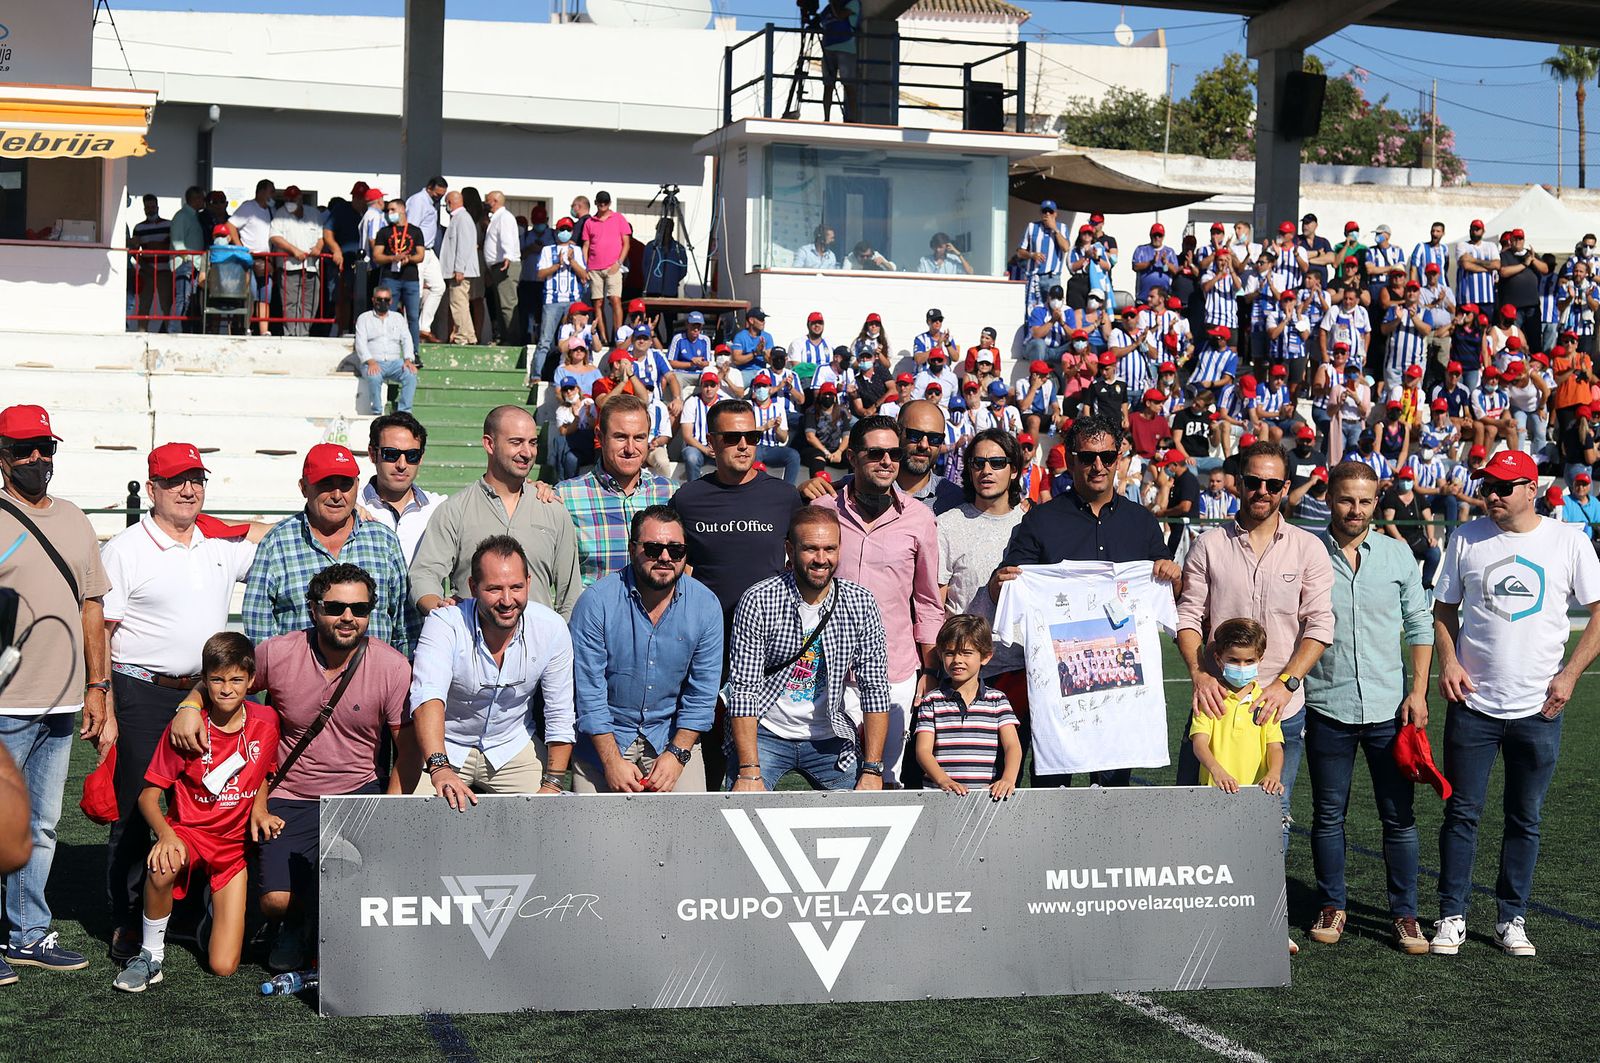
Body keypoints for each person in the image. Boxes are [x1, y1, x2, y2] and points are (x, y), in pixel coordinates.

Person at [169, 563, 409, 971]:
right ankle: (288, 923)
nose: (348, 617)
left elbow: (409, 749)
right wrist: (190, 705)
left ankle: (313, 934)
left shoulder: (392, 666)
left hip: (358, 792)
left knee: (359, 885)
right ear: (313, 608)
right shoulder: (279, 653)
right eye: (335, 607)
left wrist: (391, 807)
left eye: (360, 608)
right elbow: (224, 679)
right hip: (289, 791)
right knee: (277, 900)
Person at [98, 443, 267, 963]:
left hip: (208, 690)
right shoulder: (125, 549)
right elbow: (103, 630)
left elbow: (274, 534)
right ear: (152, 489)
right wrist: (101, 697)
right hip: (143, 689)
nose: (189, 489)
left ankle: (188, 911)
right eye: (175, 481)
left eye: (196, 479)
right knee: (138, 804)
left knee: (208, 799)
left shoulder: (215, 541)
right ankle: (129, 918)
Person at [1429, 448, 1600, 958]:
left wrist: (1569, 675)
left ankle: (1511, 918)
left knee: (1525, 818)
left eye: (1504, 487)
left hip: (1539, 708)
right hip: (1473, 706)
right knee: (1462, 813)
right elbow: (1442, 610)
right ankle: (1452, 914)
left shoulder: (1569, 540)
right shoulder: (1465, 538)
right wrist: (1450, 663)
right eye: (1488, 486)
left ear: (1531, 489)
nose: (1493, 496)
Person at [989, 415, 1181, 786]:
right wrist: (1002, 583)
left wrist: (1172, 576)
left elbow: (1170, 592)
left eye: (1107, 457)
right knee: (1051, 795)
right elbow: (1005, 589)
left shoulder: (1141, 522)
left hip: (1121, 688)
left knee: (1110, 799)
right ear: (1071, 460)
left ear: (1119, 458)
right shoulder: (1040, 521)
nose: (1098, 466)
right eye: (1088, 457)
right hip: (1057, 691)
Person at [1175, 439, 1335, 849]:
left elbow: (1319, 625)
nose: (1262, 491)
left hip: (1280, 707)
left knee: (1271, 818)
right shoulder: (1208, 544)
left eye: (1272, 484)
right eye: (1253, 482)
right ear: (1238, 483)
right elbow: (1188, 616)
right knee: (1194, 816)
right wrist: (1198, 674)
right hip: (1214, 702)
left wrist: (1286, 684)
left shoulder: (1308, 547)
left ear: (1284, 488)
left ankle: (1262, 914)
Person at [1303, 462, 1433, 955]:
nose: (1354, 510)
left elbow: (1419, 625)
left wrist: (1417, 691)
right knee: (1328, 815)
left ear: (1376, 502)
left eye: (1364, 500)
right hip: (1325, 704)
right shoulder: (1307, 552)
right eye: (1345, 499)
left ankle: (1405, 915)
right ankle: (1332, 905)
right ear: (1330, 499)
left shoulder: (1399, 555)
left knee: (1398, 818)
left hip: (1389, 709)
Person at [0, 406, 112, 979]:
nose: (37, 458)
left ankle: (27, 933)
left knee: (42, 825)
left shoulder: (73, 518)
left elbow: (92, 608)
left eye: (45, 446)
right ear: (2, 456)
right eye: (24, 449)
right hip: (3, 704)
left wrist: (97, 687)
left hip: (62, 701)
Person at [110, 632, 280, 992]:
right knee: (163, 862)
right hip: (188, 834)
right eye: (217, 680)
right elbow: (146, 796)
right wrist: (166, 833)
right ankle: (150, 955)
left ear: (252, 680)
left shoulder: (266, 721)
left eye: (236, 680)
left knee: (223, 966)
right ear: (205, 681)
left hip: (233, 850)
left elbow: (264, 771)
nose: (227, 689)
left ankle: (195, 922)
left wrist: (260, 808)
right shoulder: (187, 728)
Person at [809, 415, 940, 787]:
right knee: (831, 782)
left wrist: (928, 672)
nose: (887, 462)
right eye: (876, 453)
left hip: (893, 672)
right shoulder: (822, 510)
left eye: (894, 454)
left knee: (884, 781)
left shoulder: (920, 518)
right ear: (852, 457)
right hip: (826, 670)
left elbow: (928, 602)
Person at [725, 508, 890, 791]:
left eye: (829, 549)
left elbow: (874, 687)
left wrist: (873, 768)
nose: (821, 559)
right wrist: (749, 770)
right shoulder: (759, 600)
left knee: (859, 817)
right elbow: (744, 690)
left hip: (830, 734)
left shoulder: (860, 602)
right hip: (767, 731)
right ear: (790, 549)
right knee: (741, 814)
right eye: (810, 549)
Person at [407, 536, 575, 808]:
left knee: (543, 824)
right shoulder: (444, 623)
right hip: (446, 744)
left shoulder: (552, 628)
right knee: (412, 822)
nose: (507, 600)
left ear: (529, 583)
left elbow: (560, 713)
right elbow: (428, 696)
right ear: (473, 587)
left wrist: (553, 783)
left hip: (512, 745)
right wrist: (439, 767)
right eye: (494, 589)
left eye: (517, 587)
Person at [569, 506, 722, 792]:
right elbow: (589, 693)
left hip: (671, 737)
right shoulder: (595, 603)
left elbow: (702, 693)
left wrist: (677, 756)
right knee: (591, 834)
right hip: (605, 739)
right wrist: (611, 761)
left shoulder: (706, 605)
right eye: (653, 549)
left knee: (693, 830)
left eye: (675, 550)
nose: (665, 557)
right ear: (632, 548)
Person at [411, 405, 581, 620]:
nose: (527, 453)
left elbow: (570, 594)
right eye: (516, 442)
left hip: (539, 649)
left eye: (533, 442)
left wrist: (559, 642)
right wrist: (441, 610)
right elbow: (424, 574)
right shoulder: (454, 510)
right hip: (471, 646)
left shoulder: (552, 509)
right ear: (489, 444)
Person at [243, 443, 414, 653]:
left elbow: (405, 625)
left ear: (357, 485)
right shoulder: (276, 543)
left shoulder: (384, 541)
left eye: (345, 484)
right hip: (300, 683)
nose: (336, 494)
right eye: (325, 484)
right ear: (303, 487)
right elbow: (259, 631)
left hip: (374, 682)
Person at [559, 393, 674, 586]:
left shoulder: (671, 494)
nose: (630, 448)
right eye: (620, 437)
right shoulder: (565, 497)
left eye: (639, 438)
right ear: (600, 437)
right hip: (595, 614)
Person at [913, 614, 1021, 799]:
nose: (957, 659)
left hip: (983, 797)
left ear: (986, 657)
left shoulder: (997, 700)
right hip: (939, 796)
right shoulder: (931, 701)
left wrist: (1008, 779)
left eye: (966, 652)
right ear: (941, 655)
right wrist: (943, 781)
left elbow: (1012, 746)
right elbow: (923, 751)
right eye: (950, 653)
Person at [1189, 618, 1284, 797]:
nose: (1242, 667)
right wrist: (1217, 771)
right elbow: (1199, 743)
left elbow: (1275, 747)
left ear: (1260, 660)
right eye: (1233, 660)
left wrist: (1274, 773)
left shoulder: (1266, 702)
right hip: (1214, 789)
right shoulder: (1209, 698)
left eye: (1249, 661)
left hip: (1256, 792)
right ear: (1219, 659)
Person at [360, 412, 437, 564]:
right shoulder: (351, 507)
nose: (402, 465)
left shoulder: (438, 508)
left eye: (412, 455)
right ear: (372, 454)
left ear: (421, 458)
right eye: (391, 454)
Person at [354, 284, 418, 415]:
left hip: (394, 362)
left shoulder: (398, 318)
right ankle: (377, 412)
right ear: (373, 300)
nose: (383, 302)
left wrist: (408, 359)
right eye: (379, 299)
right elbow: (360, 343)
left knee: (410, 374)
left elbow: (407, 339)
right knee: (374, 376)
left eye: (386, 300)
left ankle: (404, 411)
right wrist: (370, 361)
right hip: (372, 362)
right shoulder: (364, 318)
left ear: (391, 301)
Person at [582, 190, 633, 339]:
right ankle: (603, 337)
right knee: (597, 303)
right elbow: (586, 245)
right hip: (594, 268)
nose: (603, 205)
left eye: (605, 202)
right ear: (596, 203)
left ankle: (618, 336)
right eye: (600, 202)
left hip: (613, 266)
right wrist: (586, 267)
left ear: (609, 203)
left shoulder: (619, 218)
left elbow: (626, 243)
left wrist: (619, 263)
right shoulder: (589, 222)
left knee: (615, 299)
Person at [230, 179, 277, 335]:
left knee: (265, 296)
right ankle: (246, 328)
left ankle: (264, 331)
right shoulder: (248, 207)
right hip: (249, 259)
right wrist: (240, 248)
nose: (273, 195)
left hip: (266, 259)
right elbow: (231, 226)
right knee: (251, 295)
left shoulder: (271, 211)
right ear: (261, 191)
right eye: (271, 191)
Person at [438, 191, 481, 345]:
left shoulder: (462, 218)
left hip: (461, 271)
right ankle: (469, 335)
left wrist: (459, 268)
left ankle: (462, 335)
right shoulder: (459, 218)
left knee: (458, 303)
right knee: (461, 302)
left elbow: (463, 246)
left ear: (450, 202)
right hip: (459, 269)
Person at [482, 190, 521, 345]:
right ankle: (504, 337)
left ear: (495, 201)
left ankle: (512, 339)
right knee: (500, 305)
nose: (485, 203)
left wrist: (507, 256)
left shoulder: (504, 218)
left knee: (507, 304)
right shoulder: (497, 218)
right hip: (498, 266)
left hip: (506, 265)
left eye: (487, 200)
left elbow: (506, 238)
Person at [1018, 200, 1069, 306]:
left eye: (1050, 212)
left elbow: (1066, 248)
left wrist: (1054, 229)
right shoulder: (1032, 227)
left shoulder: (1062, 228)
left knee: (1054, 308)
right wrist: (1032, 255)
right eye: (1044, 211)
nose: (1047, 214)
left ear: (1055, 214)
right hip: (1033, 276)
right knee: (1031, 309)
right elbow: (1020, 252)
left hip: (1052, 277)